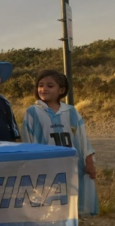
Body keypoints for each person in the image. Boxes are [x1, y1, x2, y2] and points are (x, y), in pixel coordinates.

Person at [22, 70, 99, 216]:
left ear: (61, 90)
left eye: (50, 86)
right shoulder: (33, 112)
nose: (43, 89)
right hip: (45, 165)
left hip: (72, 165)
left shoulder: (71, 112)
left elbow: (83, 139)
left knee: (72, 198)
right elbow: (28, 140)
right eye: (40, 85)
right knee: (49, 199)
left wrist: (89, 162)